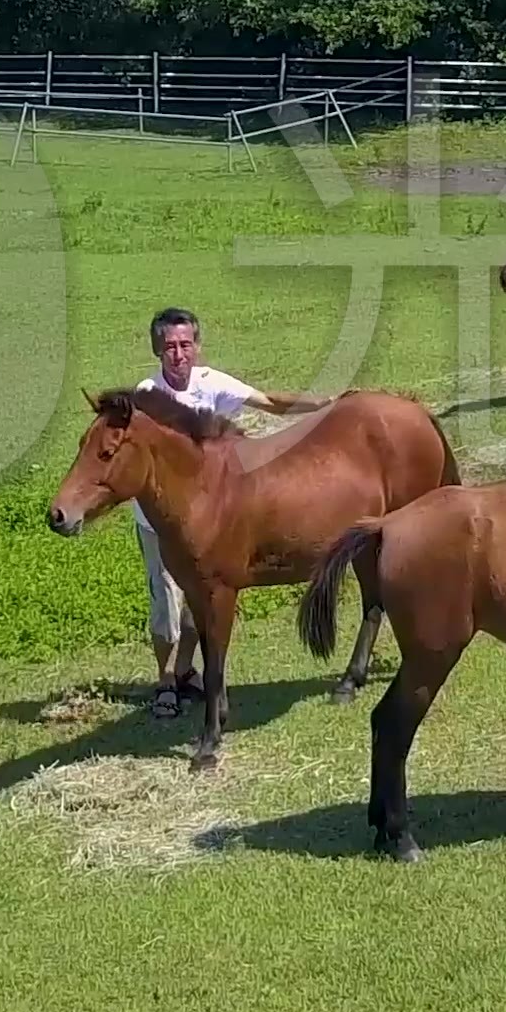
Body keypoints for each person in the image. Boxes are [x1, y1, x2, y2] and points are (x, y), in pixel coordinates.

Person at [131, 306, 328, 716]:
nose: (179, 354)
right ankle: (165, 680)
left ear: (197, 347)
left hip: (204, 520)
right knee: (167, 606)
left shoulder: (211, 383)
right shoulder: (146, 397)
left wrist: (328, 405)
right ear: (157, 350)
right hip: (157, 523)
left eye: (186, 345)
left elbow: (270, 402)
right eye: (169, 346)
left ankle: (186, 671)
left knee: (199, 602)